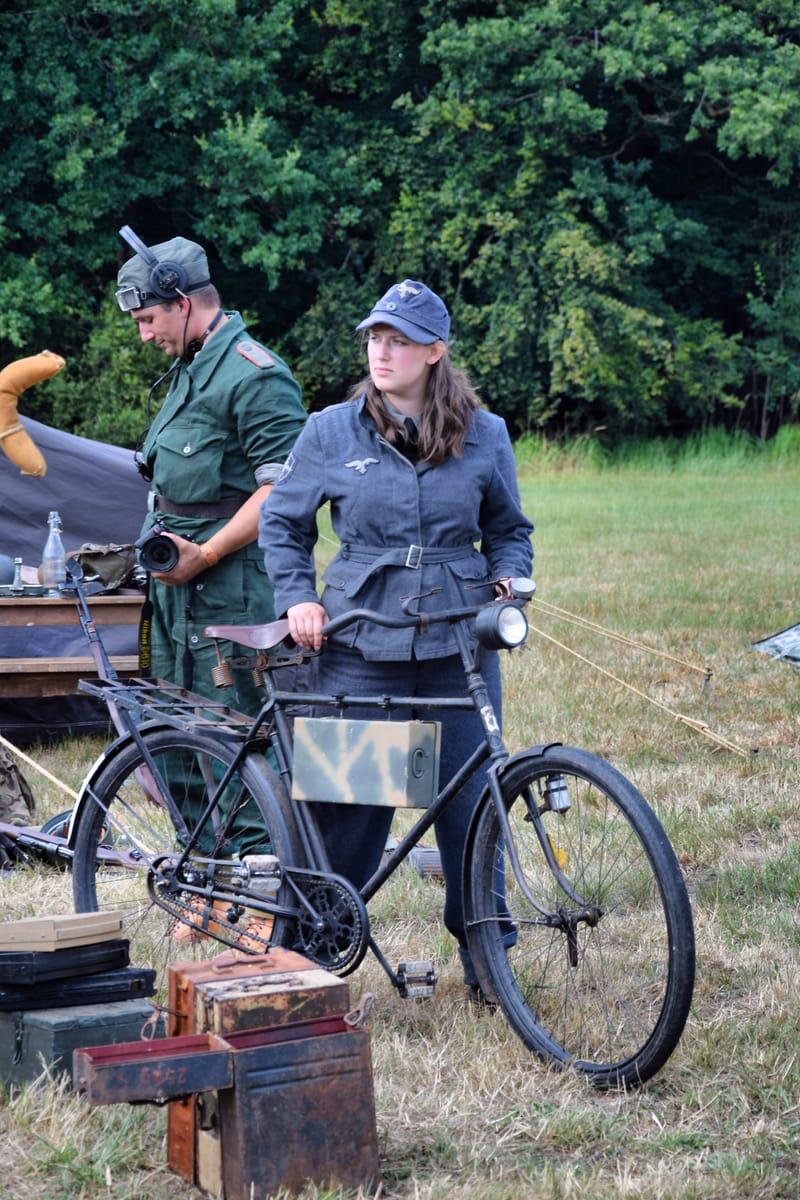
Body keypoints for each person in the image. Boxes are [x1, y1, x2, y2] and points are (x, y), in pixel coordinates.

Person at [259, 279, 533, 999]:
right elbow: (283, 524)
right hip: (358, 638)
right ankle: (313, 956)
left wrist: (509, 575)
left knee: (475, 804)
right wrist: (297, 600)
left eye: (400, 341)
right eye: (375, 339)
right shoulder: (330, 430)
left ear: (435, 352)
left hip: (457, 644)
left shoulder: (485, 433)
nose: (382, 352)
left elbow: (509, 529)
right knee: (349, 809)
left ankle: (487, 959)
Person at [115, 233, 306, 913]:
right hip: (175, 600)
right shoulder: (192, 369)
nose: (144, 336)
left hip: (231, 595)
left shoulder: (254, 373)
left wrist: (211, 551)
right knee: (174, 751)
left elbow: (281, 490)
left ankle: (262, 919)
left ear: (185, 302)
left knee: (237, 754)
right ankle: (201, 897)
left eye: (148, 320)